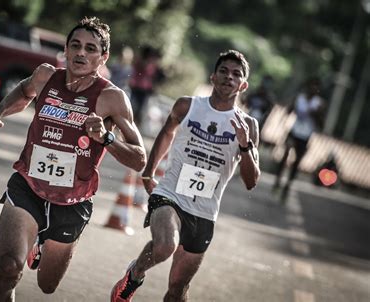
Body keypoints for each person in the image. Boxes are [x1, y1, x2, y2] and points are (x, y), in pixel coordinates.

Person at [0, 17, 147, 301]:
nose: (81, 53)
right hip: (27, 184)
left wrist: (106, 138)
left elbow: (139, 158)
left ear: (103, 57)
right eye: (75, 46)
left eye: (91, 49)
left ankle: (39, 242)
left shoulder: (112, 98)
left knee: (47, 285)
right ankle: (26, 245)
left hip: (73, 201)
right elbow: (24, 90)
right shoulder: (46, 75)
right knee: (9, 268)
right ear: (65, 49)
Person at [111, 50, 261, 302]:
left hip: (204, 211)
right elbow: (167, 132)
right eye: (223, 71)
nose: (229, 77)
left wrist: (245, 145)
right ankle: (135, 273)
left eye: (236, 74)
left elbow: (251, 181)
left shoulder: (248, 125)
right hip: (170, 194)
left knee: (177, 290)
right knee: (165, 245)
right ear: (213, 77)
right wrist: (149, 172)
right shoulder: (188, 105)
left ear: (243, 85)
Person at [272, 77, 326, 201]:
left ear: (318, 89)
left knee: (297, 162)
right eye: (311, 85)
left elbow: (322, 125)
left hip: (305, 136)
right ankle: (278, 181)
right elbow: (288, 111)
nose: (313, 88)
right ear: (307, 87)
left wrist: (317, 115)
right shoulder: (299, 98)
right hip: (294, 132)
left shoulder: (319, 104)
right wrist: (284, 121)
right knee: (285, 155)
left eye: (316, 86)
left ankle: (287, 185)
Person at [129, 45, 164, 128]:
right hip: (137, 88)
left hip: (145, 90)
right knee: (131, 108)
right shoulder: (142, 62)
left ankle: (135, 128)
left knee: (140, 111)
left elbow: (154, 78)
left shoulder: (153, 65)